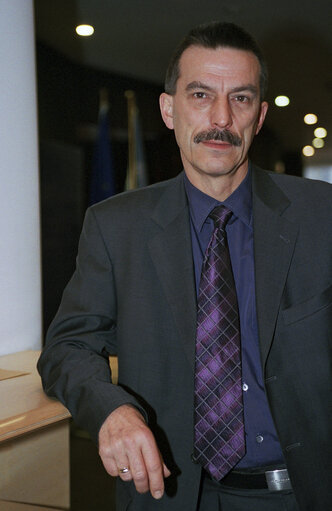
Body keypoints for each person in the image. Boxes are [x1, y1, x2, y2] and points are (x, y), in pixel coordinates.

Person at [38, 21, 332, 511]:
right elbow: (67, 348)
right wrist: (112, 411)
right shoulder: (116, 228)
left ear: (258, 117)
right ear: (169, 110)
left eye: (239, 98)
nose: (220, 117)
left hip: (302, 494)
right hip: (169, 496)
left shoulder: (322, 216)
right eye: (200, 94)